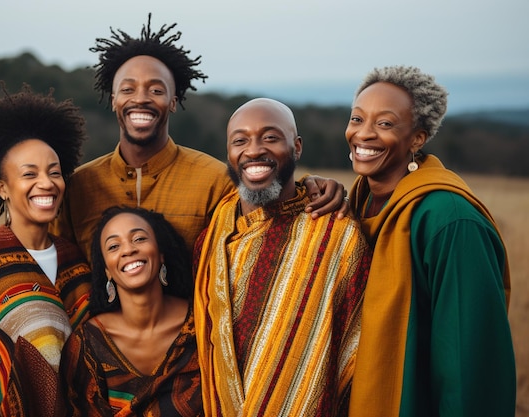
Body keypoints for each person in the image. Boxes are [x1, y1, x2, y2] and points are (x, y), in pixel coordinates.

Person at [50, 14, 347, 261]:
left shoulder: (215, 180)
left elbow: (268, 205)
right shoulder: (78, 187)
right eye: (128, 90)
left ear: (174, 101)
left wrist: (309, 184)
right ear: (113, 99)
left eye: (156, 90)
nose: (140, 99)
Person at [344, 65, 516, 417]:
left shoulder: (449, 220)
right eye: (357, 119)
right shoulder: (355, 205)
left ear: (418, 138)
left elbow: (469, 364)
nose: (364, 134)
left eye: (385, 123)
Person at [193, 98, 372, 416]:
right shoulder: (212, 237)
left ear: (297, 147)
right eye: (240, 140)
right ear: (229, 153)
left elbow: (360, 349)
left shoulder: (336, 234)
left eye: (270, 137)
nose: (253, 150)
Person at [0, 84, 92, 417]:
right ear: (2, 188)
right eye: (29, 174)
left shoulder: (76, 262)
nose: (46, 183)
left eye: (54, 172)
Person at [59, 206, 201, 416]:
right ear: (106, 270)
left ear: (161, 254)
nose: (128, 250)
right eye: (114, 246)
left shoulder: (202, 323)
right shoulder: (88, 344)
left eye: (139, 239)